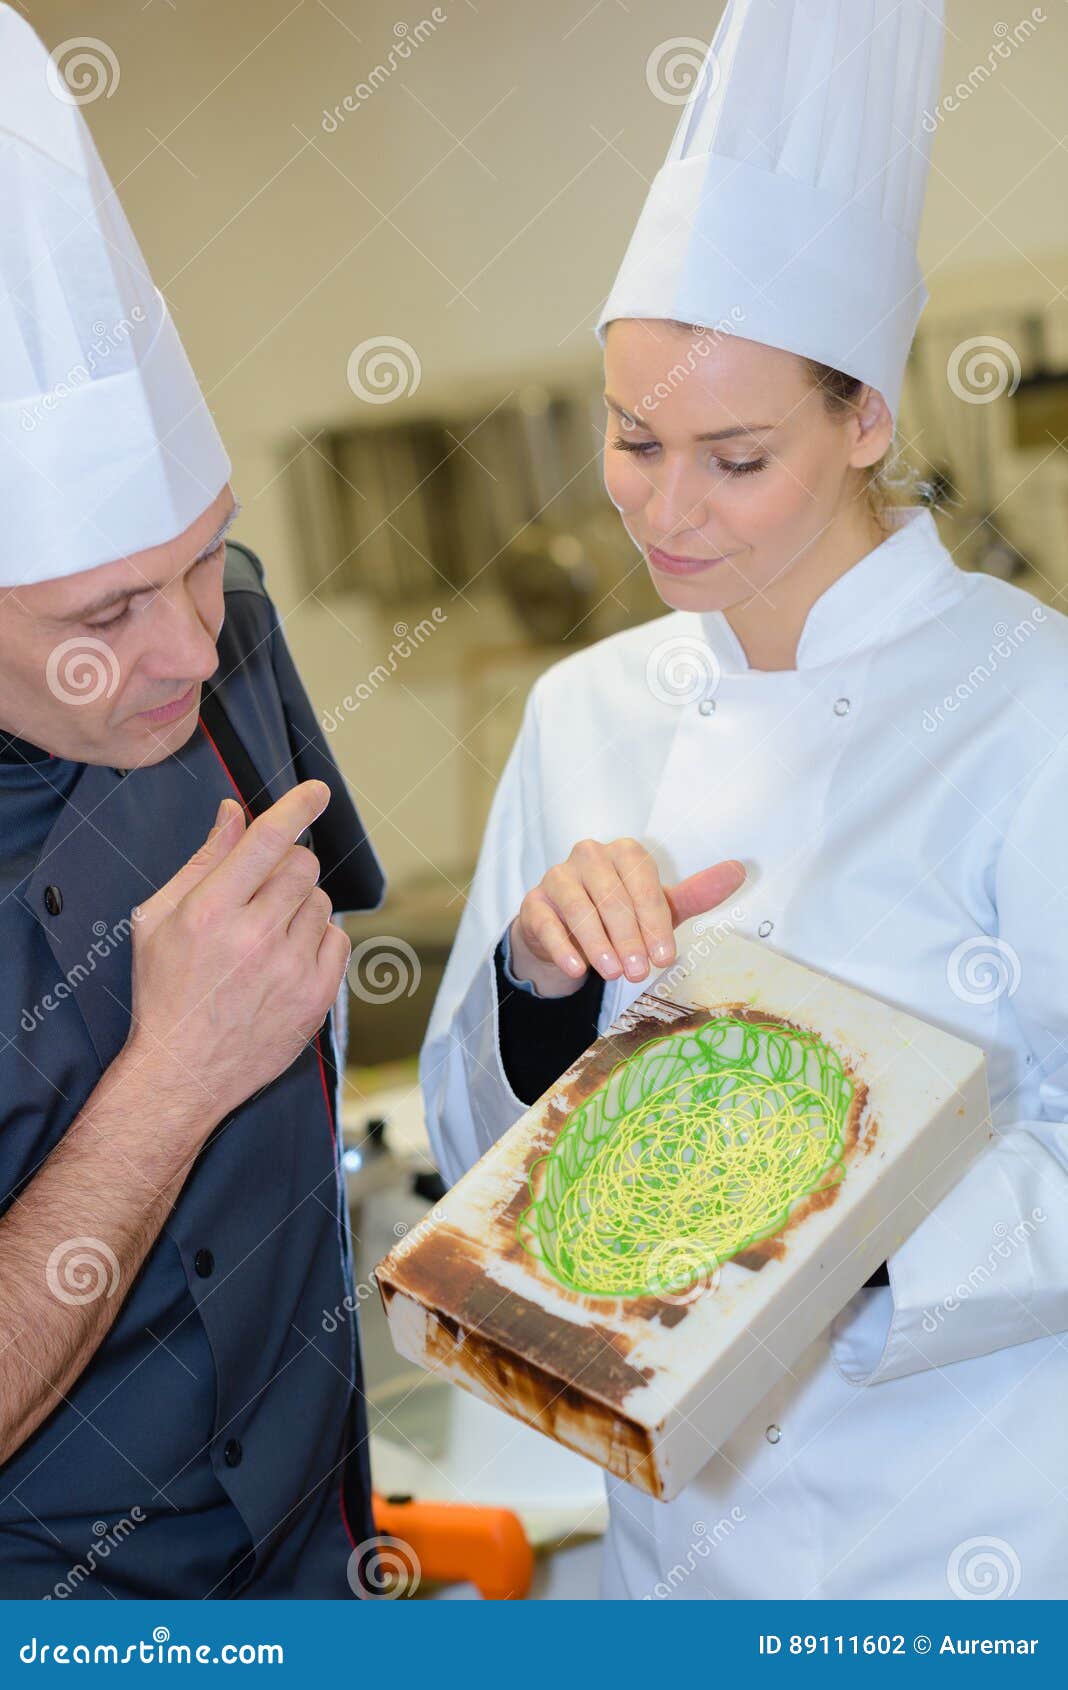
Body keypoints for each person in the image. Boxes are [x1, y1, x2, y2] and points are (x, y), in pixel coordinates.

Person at [421, 0, 1068, 1599]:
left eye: (735, 456)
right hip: (674, 1566)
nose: (667, 508)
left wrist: (822, 1216)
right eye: (634, 442)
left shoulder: (1034, 702)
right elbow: (474, 1147)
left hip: (970, 1546)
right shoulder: (587, 710)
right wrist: (537, 990)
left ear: (866, 420)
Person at [0, 8, 384, 1597]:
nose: (193, 646)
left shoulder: (223, 634)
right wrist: (171, 1076)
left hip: (322, 1561)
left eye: (201, 553)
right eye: (103, 616)